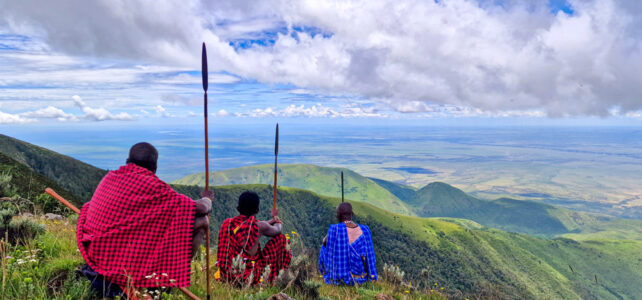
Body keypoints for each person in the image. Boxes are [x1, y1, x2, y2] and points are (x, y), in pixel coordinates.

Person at [76, 142, 212, 298]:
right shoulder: (155, 187)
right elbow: (201, 209)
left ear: (128, 161)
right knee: (202, 222)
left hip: (97, 254)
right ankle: (166, 282)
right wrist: (207, 198)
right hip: (118, 262)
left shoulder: (110, 177)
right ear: (154, 168)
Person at [216, 191, 291, 285]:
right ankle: (276, 279)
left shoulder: (228, 223)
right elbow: (278, 230)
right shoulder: (259, 226)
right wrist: (276, 219)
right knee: (282, 240)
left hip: (226, 275)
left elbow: (257, 224)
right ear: (257, 210)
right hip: (250, 277)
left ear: (238, 208)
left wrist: (272, 220)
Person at [318, 202, 378, 285]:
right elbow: (370, 258)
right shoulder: (365, 230)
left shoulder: (334, 229)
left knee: (323, 248)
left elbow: (324, 243)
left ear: (338, 216)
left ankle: (327, 274)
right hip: (360, 279)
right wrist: (373, 278)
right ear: (351, 214)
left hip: (339, 279)